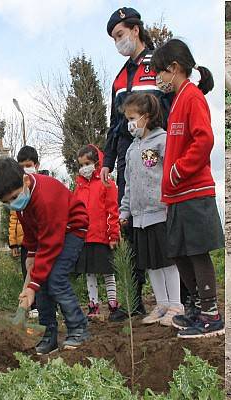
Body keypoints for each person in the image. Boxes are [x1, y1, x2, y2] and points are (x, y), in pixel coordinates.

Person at [101, 7, 175, 321]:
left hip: (160, 153)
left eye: (120, 35)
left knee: (166, 230)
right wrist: (107, 160)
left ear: (135, 30)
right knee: (132, 227)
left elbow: (175, 102)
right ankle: (135, 301)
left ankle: (180, 299)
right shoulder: (120, 77)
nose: (118, 42)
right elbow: (114, 123)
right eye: (113, 38)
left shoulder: (159, 63)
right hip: (127, 155)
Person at [151, 38, 225, 339]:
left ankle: (210, 313)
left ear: (174, 68)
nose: (158, 79)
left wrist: (178, 171)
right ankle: (195, 305)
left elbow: (203, 140)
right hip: (177, 194)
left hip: (193, 191)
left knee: (196, 252)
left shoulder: (192, 97)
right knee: (179, 251)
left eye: (160, 72)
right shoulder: (178, 100)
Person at [0, 158, 90, 355]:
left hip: (72, 229)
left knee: (55, 279)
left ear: (26, 181)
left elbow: (51, 244)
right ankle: (48, 335)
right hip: (50, 234)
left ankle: (79, 328)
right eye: (6, 201)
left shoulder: (45, 197)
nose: (12, 204)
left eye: (14, 197)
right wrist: (31, 254)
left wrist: (32, 286)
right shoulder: (22, 202)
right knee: (41, 282)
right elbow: (32, 231)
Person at [119, 92, 184, 326]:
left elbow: (170, 173)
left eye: (133, 117)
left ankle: (176, 304)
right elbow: (128, 183)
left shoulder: (162, 141)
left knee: (168, 261)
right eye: (127, 118)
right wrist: (124, 211)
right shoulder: (131, 149)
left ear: (147, 116)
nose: (130, 123)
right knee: (151, 264)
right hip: (139, 216)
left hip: (160, 212)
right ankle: (162, 303)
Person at [73, 145, 121, 320]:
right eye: (81, 164)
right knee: (89, 273)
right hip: (85, 237)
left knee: (108, 272)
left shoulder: (106, 182)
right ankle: (93, 305)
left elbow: (112, 210)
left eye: (87, 163)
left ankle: (113, 303)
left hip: (102, 237)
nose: (84, 167)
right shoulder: (79, 186)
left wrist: (113, 234)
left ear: (96, 162)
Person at [9, 145, 44, 318]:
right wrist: (14, 242)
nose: (26, 170)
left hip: (43, 240)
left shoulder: (41, 189)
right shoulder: (18, 194)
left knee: (44, 272)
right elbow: (15, 219)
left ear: (36, 165)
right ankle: (33, 305)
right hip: (26, 241)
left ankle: (47, 305)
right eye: (21, 166)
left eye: (28, 165)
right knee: (28, 270)